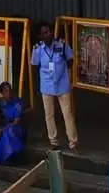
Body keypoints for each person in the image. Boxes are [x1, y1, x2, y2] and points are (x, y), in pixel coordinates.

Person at [30, 21, 77, 151]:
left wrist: (65, 72)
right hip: (47, 86)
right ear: (40, 36)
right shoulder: (38, 49)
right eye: (45, 33)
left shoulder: (61, 45)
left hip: (62, 85)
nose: (49, 34)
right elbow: (34, 65)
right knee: (49, 115)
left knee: (67, 114)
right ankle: (53, 141)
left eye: (50, 31)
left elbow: (71, 59)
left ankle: (73, 142)